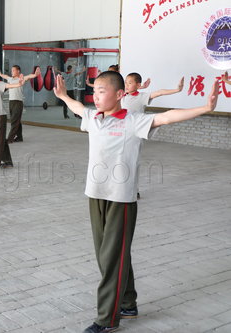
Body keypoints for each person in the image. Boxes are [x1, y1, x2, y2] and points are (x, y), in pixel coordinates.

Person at [53, 71, 219, 333]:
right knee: (107, 255)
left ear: (120, 95)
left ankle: (107, 319)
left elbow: (166, 117)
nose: (95, 97)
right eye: (94, 91)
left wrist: (206, 108)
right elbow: (77, 106)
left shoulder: (133, 121)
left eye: (102, 91)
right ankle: (128, 303)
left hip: (121, 199)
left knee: (111, 258)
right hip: (95, 195)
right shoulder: (92, 118)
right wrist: (63, 96)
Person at [122, 73, 184, 199]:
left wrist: (177, 90)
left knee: (133, 161)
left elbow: (160, 92)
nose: (126, 85)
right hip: (121, 132)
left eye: (130, 82)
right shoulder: (122, 96)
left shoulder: (142, 96)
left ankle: (135, 189)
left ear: (138, 85)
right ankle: (122, 187)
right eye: (126, 82)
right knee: (122, 161)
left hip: (135, 132)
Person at [0, 65, 40, 143]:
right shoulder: (10, 79)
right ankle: (19, 137)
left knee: (14, 121)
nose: (12, 72)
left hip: (18, 102)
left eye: (13, 70)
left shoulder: (21, 78)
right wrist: (0, 74)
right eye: (11, 71)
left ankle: (10, 138)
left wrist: (35, 75)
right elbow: (6, 76)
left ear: (18, 71)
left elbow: (29, 76)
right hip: (11, 102)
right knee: (15, 120)